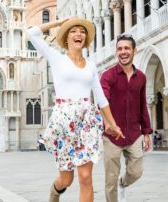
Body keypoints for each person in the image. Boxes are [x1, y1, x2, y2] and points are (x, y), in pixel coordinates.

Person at [27, 17, 123, 202]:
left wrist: (112, 124)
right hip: (64, 122)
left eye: (82, 31)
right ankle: (55, 192)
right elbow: (31, 32)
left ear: (85, 38)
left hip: (87, 121)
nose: (78, 34)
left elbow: (101, 99)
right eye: (73, 31)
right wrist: (60, 22)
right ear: (66, 38)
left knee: (86, 178)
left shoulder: (91, 66)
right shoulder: (56, 58)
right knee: (66, 179)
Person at [100, 34, 153, 202]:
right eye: (120, 49)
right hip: (111, 135)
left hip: (133, 133)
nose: (123, 52)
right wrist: (108, 123)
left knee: (137, 171)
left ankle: (123, 184)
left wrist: (146, 132)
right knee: (110, 179)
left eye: (126, 48)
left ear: (134, 51)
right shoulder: (108, 76)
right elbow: (102, 101)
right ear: (116, 52)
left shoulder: (141, 77)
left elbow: (142, 104)